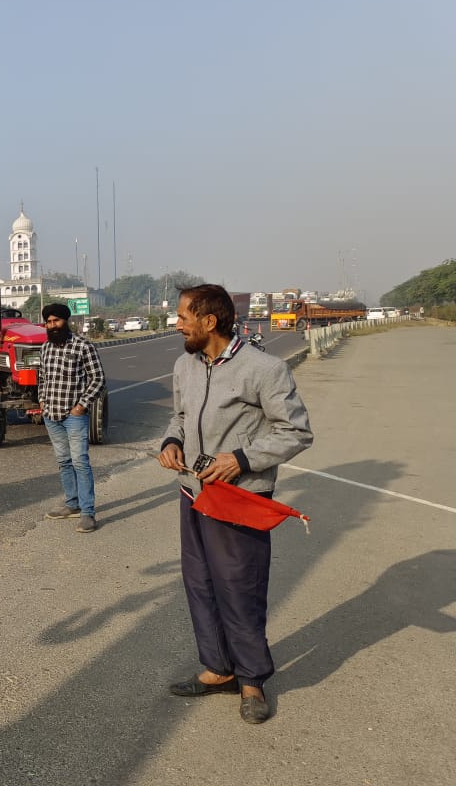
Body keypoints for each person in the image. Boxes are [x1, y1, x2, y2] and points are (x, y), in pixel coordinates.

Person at [157, 284, 313, 725]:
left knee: (239, 589)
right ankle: (217, 668)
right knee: (201, 585)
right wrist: (171, 440)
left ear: (210, 322)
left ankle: (251, 680)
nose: (178, 323)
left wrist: (240, 459)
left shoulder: (264, 369)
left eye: (184, 316)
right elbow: (182, 415)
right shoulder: (184, 365)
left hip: (240, 498)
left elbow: (296, 432)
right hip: (194, 492)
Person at [38, 302, 106, 532]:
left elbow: (98, 379)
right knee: (64, 462)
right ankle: (72, 504)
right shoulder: (45, 347)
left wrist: (81, 406)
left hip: (73, 415)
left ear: (66, 321)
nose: (52, 325)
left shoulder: (82, 346)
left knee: (80, 463)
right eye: (48, 322)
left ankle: (88, 513)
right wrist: (42, 401)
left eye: (56, 320)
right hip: (51, 415)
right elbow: (42, 378)